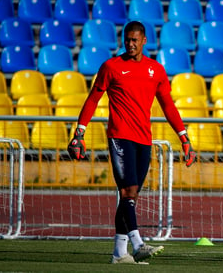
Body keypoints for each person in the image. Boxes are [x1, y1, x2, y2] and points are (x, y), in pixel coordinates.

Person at [67, 21, 196, 265]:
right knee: (127, 191)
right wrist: (79, 133)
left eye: (135, 40)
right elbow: (93, 99)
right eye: (127, 40)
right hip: (119, 136)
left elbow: (168, 105)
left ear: (144, 41)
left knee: (131, 195)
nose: (130, 44)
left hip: (143, 139)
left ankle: (119, 253)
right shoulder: (111, 67)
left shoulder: (155, 70)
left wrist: (184, 137)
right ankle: (138, 244)